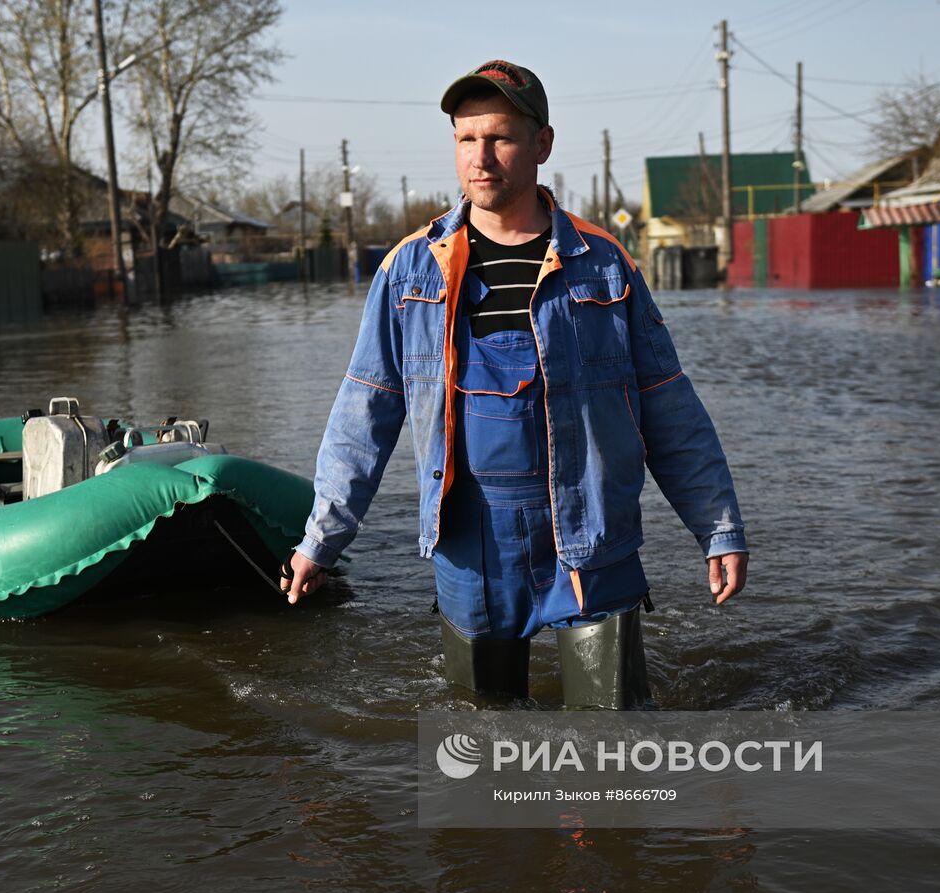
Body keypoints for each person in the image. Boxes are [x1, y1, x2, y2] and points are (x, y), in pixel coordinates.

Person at [281, 60, 748, 709]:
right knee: (480, 750)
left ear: (541, 144)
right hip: (472, 544)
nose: (482, 157)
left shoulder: (603, 264)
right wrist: (320, 541)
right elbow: (364, 413)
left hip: (591, 535)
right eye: (466, 138)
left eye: (499, 137)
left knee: (610, 743)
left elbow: (667, 404)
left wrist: (717, 525)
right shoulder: (410, 269)